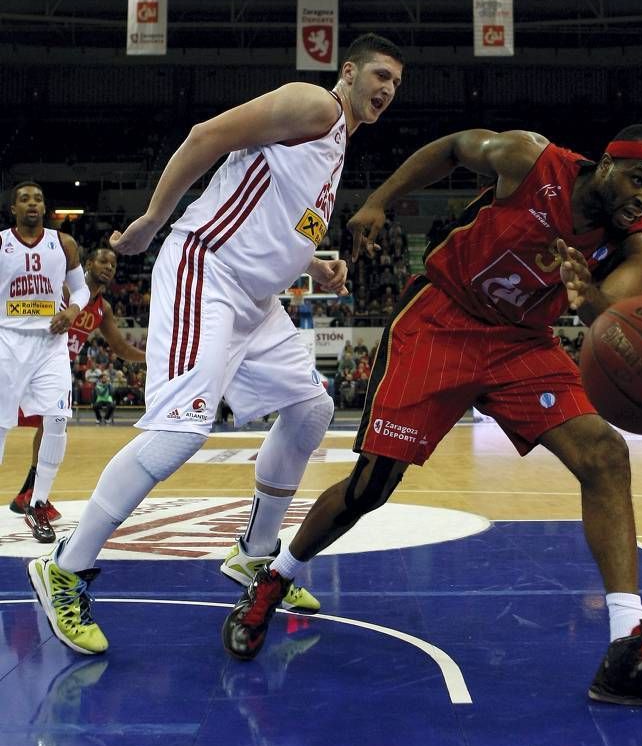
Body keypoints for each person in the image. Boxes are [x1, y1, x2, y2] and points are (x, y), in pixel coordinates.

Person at [221, 123, 642, 716]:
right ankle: (274, 580)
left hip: (520, 342)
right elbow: (451, 148)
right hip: (441, 319)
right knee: (370, 488)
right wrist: (381, 201)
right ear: (606, 164)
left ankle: (627, 649)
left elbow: (611, 319)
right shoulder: (530, 158)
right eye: (639, 179)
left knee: (605, 454)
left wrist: (587, 295)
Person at [28, 33, 404, 655]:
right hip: (206, 270)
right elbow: (207, 135)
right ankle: (66, 566)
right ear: (349, 72)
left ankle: (254, 554)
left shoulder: (335, 153)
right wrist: (152, 219)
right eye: (381, 74)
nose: (388, 89)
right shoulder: (318, 106)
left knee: (311, 410)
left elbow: (280, 232)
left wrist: (318, 271)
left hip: (256, 302)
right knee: (180, 431)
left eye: (397, 82)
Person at [10, 245, 146, 520]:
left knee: (53, 425)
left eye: (114, 265)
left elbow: (119, 347)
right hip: (28, 360)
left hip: (54, 369)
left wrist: (151, 359)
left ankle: (29, 494)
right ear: (87, 264)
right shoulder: (62, 289)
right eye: (104, 262)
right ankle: (30, 495)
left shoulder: (102, 308)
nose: (109, 267)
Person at [0, 182, 91, 544]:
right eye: (25, 199)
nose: (33, 204)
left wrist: (70, 310)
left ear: (45, 207)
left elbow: (81, 289)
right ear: (13, 209)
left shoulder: (63, 243)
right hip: (8, 341)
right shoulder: (2, 243)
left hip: (50, 344)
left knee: (56, 420)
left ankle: (38, 503)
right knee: (1, 425)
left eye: (38, 198)